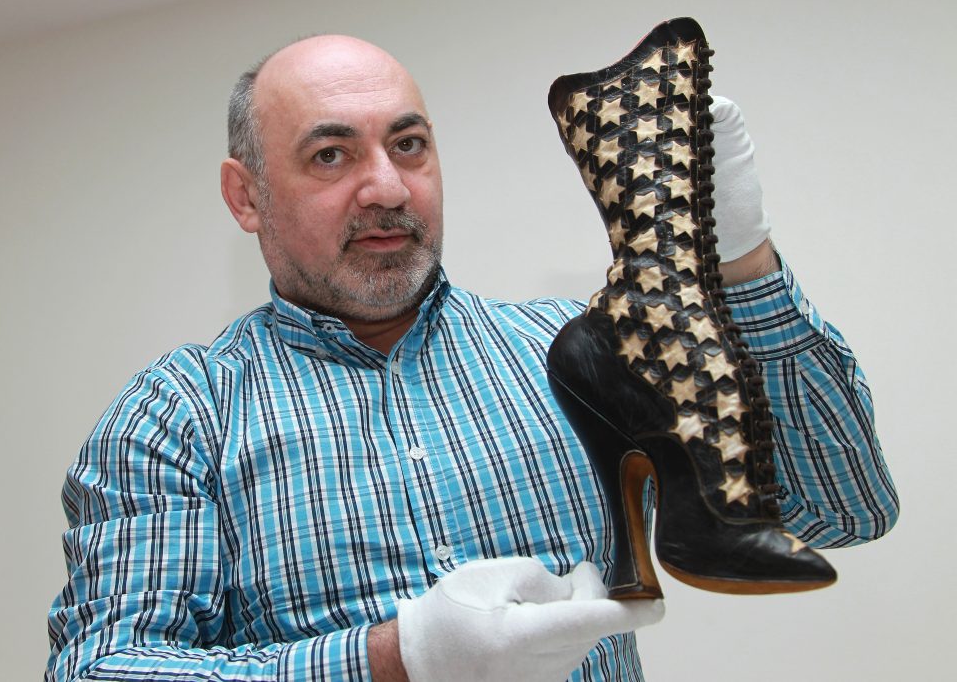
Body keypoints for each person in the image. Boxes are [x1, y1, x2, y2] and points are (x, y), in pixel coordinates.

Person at [45, 35, 898, 682]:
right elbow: (103, 668)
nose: (387, 187)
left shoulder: (581, 353)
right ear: (247, 195)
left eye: (409, 144)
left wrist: (741, 264)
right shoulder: (179, 414)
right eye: (330, 155)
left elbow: (843, 508)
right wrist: (396, 657)